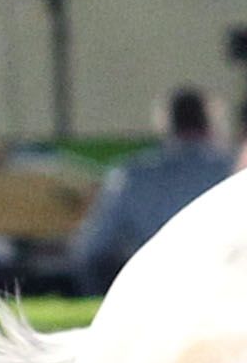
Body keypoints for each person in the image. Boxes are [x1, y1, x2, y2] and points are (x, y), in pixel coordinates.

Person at [74, 86, 232, 293]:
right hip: (224, 291)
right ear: (212, 122)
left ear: (165, 124)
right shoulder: (236, 170)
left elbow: (92, 250)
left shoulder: (133, 176)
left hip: (155, 293)